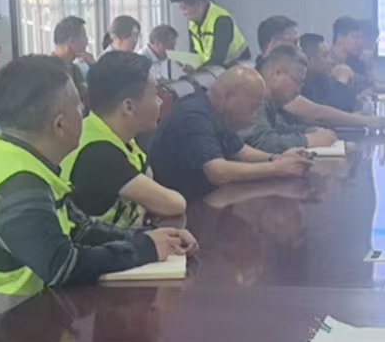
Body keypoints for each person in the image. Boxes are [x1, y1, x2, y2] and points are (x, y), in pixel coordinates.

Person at [0, 55, 194, 332]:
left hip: (18, 323)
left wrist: (151, 238)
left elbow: (81, 229)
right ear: (60, 124)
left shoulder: (24, 162)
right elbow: (64, 266)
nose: (84, 111)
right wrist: (145, 249)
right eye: (78, 104)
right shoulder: (19, 186)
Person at [149, 66, 313, 203]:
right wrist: (277, 168)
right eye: (252, 108)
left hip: (210, 201)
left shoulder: (216, 111)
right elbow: (218, 172)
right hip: (185, 211)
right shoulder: (193, 116)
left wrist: (277, 158)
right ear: (229, 97)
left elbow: (241, 151)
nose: (254, 116)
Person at [62, 51, 186, 228]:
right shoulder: (99, 154)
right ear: (128, 106)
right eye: (154, 94)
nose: (159, 101)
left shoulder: (113, 135)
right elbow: (173, 204)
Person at [245, 46, 341, 153]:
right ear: (277, 73)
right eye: (298, 82)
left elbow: (278, 129)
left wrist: (307, 131)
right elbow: (263, 142)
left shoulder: (270, 101)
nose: (298, 90)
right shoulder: (251, 96)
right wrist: (308, 140)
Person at [170, 0, 249, 69]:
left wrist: (199, 70)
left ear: (198, 4)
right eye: (180, 9)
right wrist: (192, 67)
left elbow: (218, 59)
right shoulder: (193, 24)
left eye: (184, 8)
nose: (183, 14)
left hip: (238, 65)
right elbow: (197, 53)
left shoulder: (221, 20)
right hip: (215, 67)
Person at [299, 33, 357, 113]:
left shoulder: (321, 78)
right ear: (308, 58)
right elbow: (328, 112)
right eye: (325, 56)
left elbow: (346, 107)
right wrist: (342, 81)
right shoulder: (300, 85)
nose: (330, 61)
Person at [51, 16, 92, 103]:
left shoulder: (75, 70)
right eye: (84, 37)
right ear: (72, 41)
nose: (87, 43)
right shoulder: (49, 71)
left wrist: (94, 66)